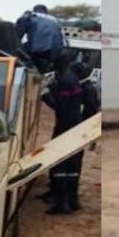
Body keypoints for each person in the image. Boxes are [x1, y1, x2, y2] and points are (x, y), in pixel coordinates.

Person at [42, 53, 84, 214]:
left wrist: (45, 96)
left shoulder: (65, 81)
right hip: (75, 126)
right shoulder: (72, 79)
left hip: (65, 127)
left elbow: (60, 107)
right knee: (72, 166)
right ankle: (72, 201)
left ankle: (62, 204)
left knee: (60, 165)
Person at [16, 3, 64, 73]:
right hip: (55, 53)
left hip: (37, 50)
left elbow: (17, 35)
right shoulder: (55, 20)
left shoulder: (30, 16)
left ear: (34, 10)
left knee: (18, 52)